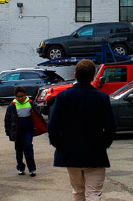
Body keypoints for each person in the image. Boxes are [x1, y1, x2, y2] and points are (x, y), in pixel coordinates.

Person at [47, 59, 116, 201]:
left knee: (78, 191)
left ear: (75, 74)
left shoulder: (62, 96)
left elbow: (53, 125)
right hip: (95, 153)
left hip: (70, 153)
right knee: (93, 193)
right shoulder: (101, 97)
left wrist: (59, 145)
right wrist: (103, 144)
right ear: (93, 76)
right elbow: (110, 126)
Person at [4, 86, 46, 177]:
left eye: (22, 96)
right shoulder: (12, 106)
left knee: (28, 147)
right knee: (19, 150)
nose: (20, 99)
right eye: (18, 97)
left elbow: (37, 114)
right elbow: (7, 119)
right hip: (17, 131)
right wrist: (8, 131)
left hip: (28, 130)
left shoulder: (30, 103)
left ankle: (32, 168)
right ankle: (20, 167)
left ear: (25, 95)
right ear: (15, 97)